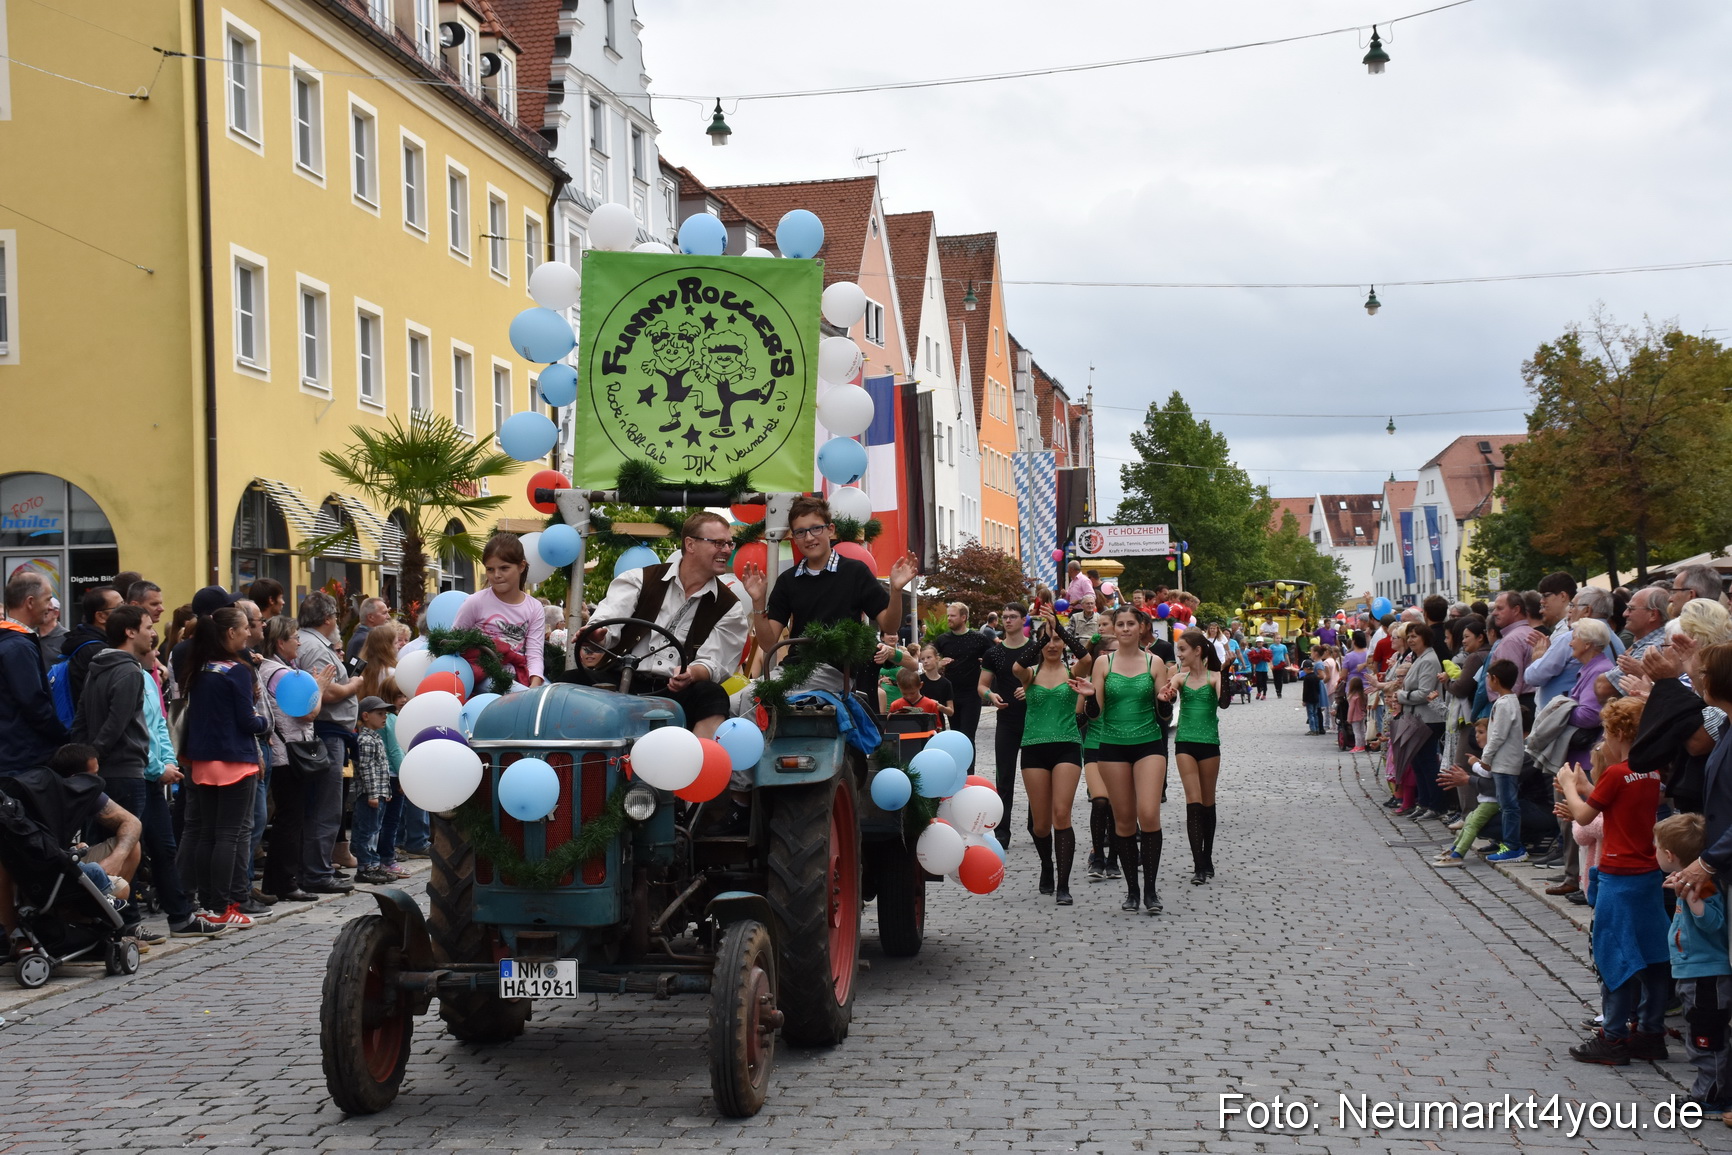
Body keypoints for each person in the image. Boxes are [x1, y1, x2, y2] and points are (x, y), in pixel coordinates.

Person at [1559, 697, 1668, 1066]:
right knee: (1653, 955)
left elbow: (1584, 815)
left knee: (1615, 955)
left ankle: (1614, 1035)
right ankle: (1650, 1031)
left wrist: (1570, 786)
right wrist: (1591, 788)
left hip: (1619, 876)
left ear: (1619, 732)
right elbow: (1618, 804)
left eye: (1606, 731)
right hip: (1648, 874)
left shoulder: (1619, 771)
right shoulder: (1650, 772)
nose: (1603, 739)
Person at [580, 512, 751, 742]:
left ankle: (702, 769)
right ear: (690, 544)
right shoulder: (639, 579)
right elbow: (610, 618)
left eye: (729, 543)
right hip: (621, 676)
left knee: (712, 695)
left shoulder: (729, 607)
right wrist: (599, 634)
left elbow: (715, 663)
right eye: (718, 543)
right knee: (570, 682)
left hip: (677, 690)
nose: (727, 550)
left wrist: (691, 673)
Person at [177, 606, 269, 927]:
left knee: (207, 835)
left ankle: (204, 905)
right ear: (231, 633)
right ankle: (223, 907)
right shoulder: (237, 670)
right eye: (245, 628)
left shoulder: (200, 667)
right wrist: (263, 722)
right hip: (234, 761)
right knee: (229, 836)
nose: (248, 633)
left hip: (202, 761)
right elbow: (247, 721)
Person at [1091, 607, 1171, 915]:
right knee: (1123, 820)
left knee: (1149, 814)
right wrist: (1087, 696)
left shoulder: (1155, 662)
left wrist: (1167, 701)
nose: (1124, 629)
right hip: (1111, 746)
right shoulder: (1103, 662)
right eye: (1119, 624)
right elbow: (1094, 714)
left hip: (1148, 744)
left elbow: (1164, 715)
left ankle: (1150, 889)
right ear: (1114, 628)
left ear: (1142, 627)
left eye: (1130, 624)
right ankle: (1132, 891)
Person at [1653, 812, 1732, 1111]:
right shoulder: (1684, 880)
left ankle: (1710, 1095)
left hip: (1707, 975)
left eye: (1656, 848)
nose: (1655, 853)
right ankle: (1713, 1089)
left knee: (1706, 1037)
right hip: (1693, 971)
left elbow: (1713, 923)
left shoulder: (1702, 886)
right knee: (1700, 1031)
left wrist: (1691, 899)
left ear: (1670, 855)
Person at [1014, 614, 1092, 905]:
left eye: (1058, 639)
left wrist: (1059, 629)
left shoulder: (1074, 672)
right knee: (1040, 825)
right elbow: (1016, 666)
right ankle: (1047, 865)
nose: (1053, 644)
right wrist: (1043, 638)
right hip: (1034, 747)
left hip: (1067, 747)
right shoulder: (1030, 673)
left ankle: (1063, 883)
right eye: (1048, 640)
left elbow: (1086, 656)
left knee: (1062, 815)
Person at [257, 615, 329, 901]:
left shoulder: (267, 668)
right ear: (280, 642)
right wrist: (320, 686)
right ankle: (285, 882)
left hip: (281, 752)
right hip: (289, 755)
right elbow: (308, 712)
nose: (300, 641)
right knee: (291, 819)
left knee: (286, 817)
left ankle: (281, 880)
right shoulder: (281, 673)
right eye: (295, 637)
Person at [295, 591, 360, 893]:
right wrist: (355, 685)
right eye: (335, 616)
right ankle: (318, 872)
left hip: (319, 732)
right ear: (328, 618)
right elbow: (328, 692)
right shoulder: (317, 648)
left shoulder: (303, 641)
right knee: (326, 805)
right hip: (326, 730)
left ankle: (314, 869)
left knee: (318, 804)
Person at [1163, 625, 1230, 888]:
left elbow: (1223, 704)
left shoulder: (1215, 677)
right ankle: (1198, 864)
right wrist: (1165, 698)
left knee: (1207, 802)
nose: (1179, 654)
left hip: (1209, 743)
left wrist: (1225, 674)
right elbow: (1165, 702)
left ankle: (1208, 857)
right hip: (1185, 744)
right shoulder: (1180, 678)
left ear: (1197, 651)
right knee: (1193, 801)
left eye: (1182, 649)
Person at [453, 533, 547, 687]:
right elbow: (454, 643)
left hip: (520, 675)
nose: (497, 575)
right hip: (481, 676)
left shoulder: (534, 607)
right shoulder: (475, 602)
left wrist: (534, 688)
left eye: (504, 568)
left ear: (521, 566)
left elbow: (534, 655)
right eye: (490, 569)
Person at [0, 572, 71, 776]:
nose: (51, 606)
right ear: (30, 602)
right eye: (48, 599)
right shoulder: (18, 646)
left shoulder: (10, 642)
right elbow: (34, 703)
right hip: (22, 761)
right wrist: (64, 736)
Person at [980, 603, 1037, 848]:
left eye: (1013, 616)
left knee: (1035, 776)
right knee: (1004, 777)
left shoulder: (1035, 649)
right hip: (1006, 721)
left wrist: (1029, 688)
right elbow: (982, 685)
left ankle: (1037, 827)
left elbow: (1050, 679)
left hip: (1034, 720)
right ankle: (1002, 832)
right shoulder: (995, 652)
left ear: (1023, 620)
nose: (1008, 620)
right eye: (1004, 617)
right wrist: (990, 696)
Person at [1475, 660, 1528, 863]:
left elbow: (1497, 735)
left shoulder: (1504, 704)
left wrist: (1486, 758)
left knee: (1508, 805)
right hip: (1506, 761)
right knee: (1505, 803)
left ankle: (1513, 845)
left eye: (1488, 677)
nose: (1487, 681)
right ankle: (1504, 841)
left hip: (1505, 762)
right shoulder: (1510, 701)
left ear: (1495, 679)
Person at [1395, 623, 1448, 821]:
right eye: (1408, 636)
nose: (1410, 640)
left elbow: (1424, 693)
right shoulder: (1419, 658)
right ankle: (1424, 802)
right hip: (1416, 718)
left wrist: (1402, 695)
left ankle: (1436, 805)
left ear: (1425, 638)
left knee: (1427, 763)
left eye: (1414, 636)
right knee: (1418, 763)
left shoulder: (1428, 660)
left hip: (1427, 719)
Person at [926, 602, 991, 752]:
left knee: (968, 737)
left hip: (971, 694)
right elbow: (927, 660)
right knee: (954, 736)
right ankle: (957, 772)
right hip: (950, 695)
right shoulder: (942, 640)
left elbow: (992, 657)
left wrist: (985, 664)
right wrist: (938, 663)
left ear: (964, 617)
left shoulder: (979, 638)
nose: (949, 618)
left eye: (952, 616)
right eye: (948, 615)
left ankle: (970, 774)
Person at [1434, 718, 1497, 867]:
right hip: (1486, 799)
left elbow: (1489, 773)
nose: (1477, 736)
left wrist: (1475, 765)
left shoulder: (1492, 752)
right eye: (1476, 732)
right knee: (1469, 821)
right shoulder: (1486, 751)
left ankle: (1458, 854)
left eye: (1481, 732)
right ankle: (1454, 848)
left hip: (1492, 801)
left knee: (1472, 825)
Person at [351, 695, 397, 886]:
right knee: (367, 831)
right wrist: (372, 794)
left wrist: (385, 792)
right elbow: (367, 769)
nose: (384, 717)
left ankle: (373, 864)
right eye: (380, 713)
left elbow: (381, 769)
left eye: (385, 713)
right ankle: (365, 866)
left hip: (378, 793)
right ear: (366, 715)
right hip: (370, 795)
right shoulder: (366, 740)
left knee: (374, 829)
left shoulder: (375, 737)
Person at [63, 584, 123, 707]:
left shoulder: (94, 642)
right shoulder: (97, 651)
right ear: (101, 617)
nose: (126, 612)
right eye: (119, 608)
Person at [355, 621, 404, 701]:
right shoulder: (393, 673)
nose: (398, 646)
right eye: (395, 643)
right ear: (387, 648)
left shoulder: (360, 670)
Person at [345, 597, 391, 668]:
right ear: (370, 617)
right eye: (384, 613)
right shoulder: (364, 640)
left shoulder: (364, 637)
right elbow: (356, 672)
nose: (389, 617)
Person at [916, 644, 954, 719]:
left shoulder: (946, 683)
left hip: (938, 722)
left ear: (937, 658)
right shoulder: (918, 680)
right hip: (919, 720)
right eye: (922, 659)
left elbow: (951, 711)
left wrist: (940, 707)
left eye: (929, 657)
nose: (925, 661)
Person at [35, 597, 66, 670]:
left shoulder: (66, 637)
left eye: (47, 611)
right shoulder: (29, 635)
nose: (42, 613)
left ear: (56, 613)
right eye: (39, 610)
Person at [1346, 676, 1368, 749]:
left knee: (1356, 732)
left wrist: (1349, 718)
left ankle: (1358, 746)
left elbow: (1351, 708)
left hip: (1355, 716)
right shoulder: (1362, 695)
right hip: (1362, 715)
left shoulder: (1353, 697)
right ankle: (1363, 745)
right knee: (1362, 731)